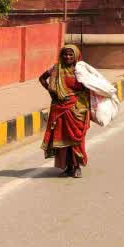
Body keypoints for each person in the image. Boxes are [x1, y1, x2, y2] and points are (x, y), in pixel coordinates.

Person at [38, 45, 92, 177]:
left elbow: (90, 87)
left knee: (76, 140)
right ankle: (68, 167)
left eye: (70, 55)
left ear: (76, 56)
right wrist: (52, 92)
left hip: (77, 109)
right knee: (62, 139)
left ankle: (77, 167)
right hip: (60, 109)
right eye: (65, 54)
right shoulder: (56, 68)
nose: (67, 57)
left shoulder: (80, 70)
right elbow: (42, 79)